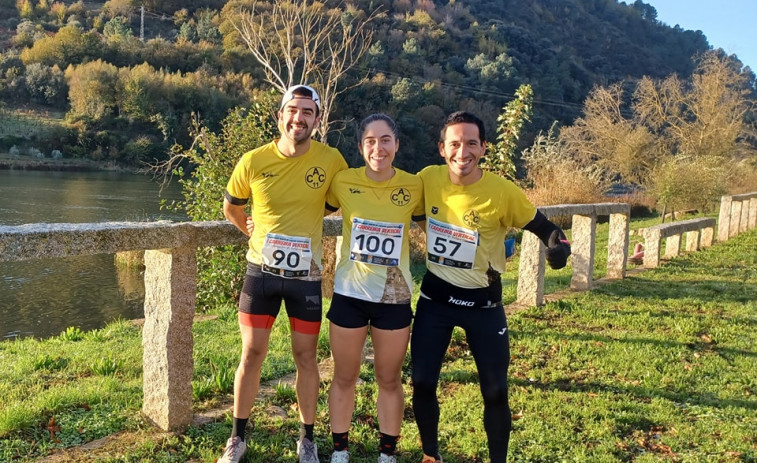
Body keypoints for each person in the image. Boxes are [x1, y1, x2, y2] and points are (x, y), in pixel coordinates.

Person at [411, 111, 571, 463]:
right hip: (435, 298)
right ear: (442, 148)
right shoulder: (427, 179)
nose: (462, 152)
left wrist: (558, 249)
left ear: (483, 147)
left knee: (496, 391)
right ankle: (430, 455)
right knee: (422, 382)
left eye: (471, 143)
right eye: (454, 143)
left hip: (483, 305)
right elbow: (395, 203)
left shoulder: (501, 191)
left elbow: (546, 228)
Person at [219, 84, 348, 463]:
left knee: (306, 358)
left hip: (305, 277)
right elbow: (232, 207)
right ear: (280, 115)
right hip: (261, 272)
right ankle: (237, 438)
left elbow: (334, 202)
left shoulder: (331, 160)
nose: (299, 118)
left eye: (308, 112)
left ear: (317, 120)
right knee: (252, 353)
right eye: (293, 110)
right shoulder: (254, 160)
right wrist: (251, 230)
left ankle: (307, 439)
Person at [324, 114, 425, 463]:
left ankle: (387, 454)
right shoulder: (343, 181)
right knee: (344, 376)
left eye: (385, 140)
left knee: (389, 378)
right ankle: (340, 451)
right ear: (361, 146)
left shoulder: (415, 186)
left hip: (394, 297)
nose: (378, 147)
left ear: (397, 145)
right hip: (350, 293)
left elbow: (442, 217)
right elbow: (304, 206)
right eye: (370, 140)